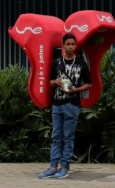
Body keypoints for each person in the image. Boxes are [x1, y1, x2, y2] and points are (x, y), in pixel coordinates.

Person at [38, 33, 92, 179]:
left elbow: (89, 84)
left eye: (73, 44)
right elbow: (48, 82)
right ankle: (53, 167)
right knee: (56, 136)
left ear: (76, 46)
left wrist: (76, 89)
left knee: (67, 137)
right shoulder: (56, 62)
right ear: (63, 45)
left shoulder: (81, 63)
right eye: (68, 44)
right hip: (57, 104)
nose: (70, 47)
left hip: (72, 105)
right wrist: (55, 82)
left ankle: (64, 167)